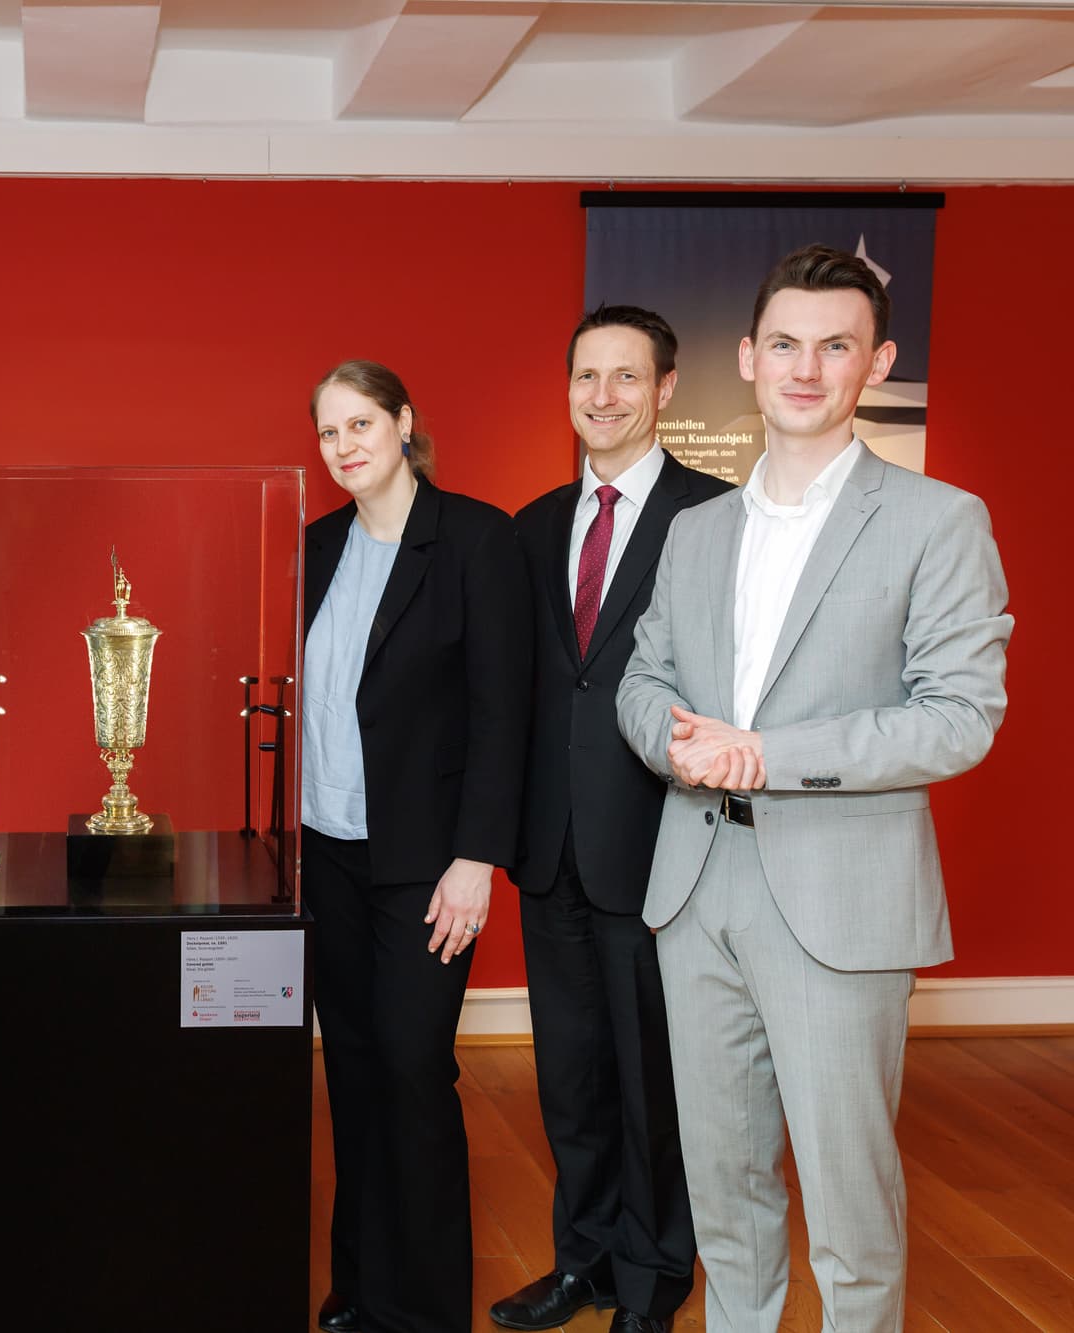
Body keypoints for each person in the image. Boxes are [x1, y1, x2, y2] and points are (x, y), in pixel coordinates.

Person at [616, 244, 1012, 1332]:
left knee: (849, 1203)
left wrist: (766, 753)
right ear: (748, 357)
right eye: (785, 344)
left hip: (841, 895)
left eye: (835, 346)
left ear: (877, 362)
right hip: (696, 886)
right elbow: (643, 680)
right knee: (723, 1186)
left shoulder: (939, 519)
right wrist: (678, 747)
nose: (806, 368)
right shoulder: (695, 531)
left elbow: (959, 715)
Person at [494, 308, 729, 1333]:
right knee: (571, 1079)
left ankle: (652, 1282)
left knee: (653, 1087)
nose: (603, 396)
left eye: (626, 376)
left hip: (659, 848)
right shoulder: (534, 524)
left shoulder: (714, 517)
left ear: (666, 387)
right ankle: (581, 1262)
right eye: (587, 376)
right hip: (551, 849)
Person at [302, 360, 531, 1333]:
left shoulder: (475, 538)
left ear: (403, 422)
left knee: (411, 1065)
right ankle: (361, 1282)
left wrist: (477, 858)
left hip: (427, 865)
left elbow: (502, 710)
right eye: (328, 431)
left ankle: (426, 1309)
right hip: (326, 851)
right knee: (352, 1066)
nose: (344, 445)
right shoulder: (316, 544)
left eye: (361, 423)